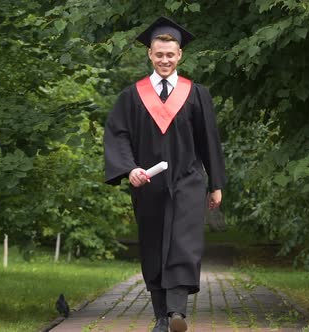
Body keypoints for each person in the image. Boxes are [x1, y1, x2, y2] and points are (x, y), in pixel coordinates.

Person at [103, 16, 226, 332]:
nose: (165, 60)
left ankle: (177, 313)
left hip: (187, 180)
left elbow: (209, 140)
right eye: (159, 54)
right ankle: (161, 316)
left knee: (184, 244)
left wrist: (216, 184)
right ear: (150, 55)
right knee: (154, 246)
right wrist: (129, 169)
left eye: (170, 55)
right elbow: (117, 135)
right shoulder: (132, 96)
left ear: (180, 55)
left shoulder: (196, 93)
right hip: (149, 183)